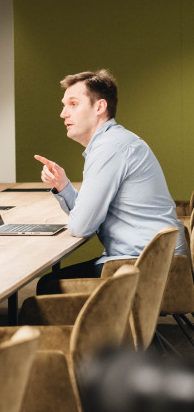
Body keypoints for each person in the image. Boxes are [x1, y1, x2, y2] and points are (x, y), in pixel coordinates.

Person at [35, 70, 186, 289]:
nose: (63, 113)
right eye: (64, 105)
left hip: (147, 265)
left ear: (99, 107)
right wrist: (63, 186)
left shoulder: (109, 149)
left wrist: (78, 213)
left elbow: (81, 227)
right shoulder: (113, 142)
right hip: (153, 259)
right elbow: (88, 215)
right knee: (52, 282)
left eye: (73, 104)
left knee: (50, 285)